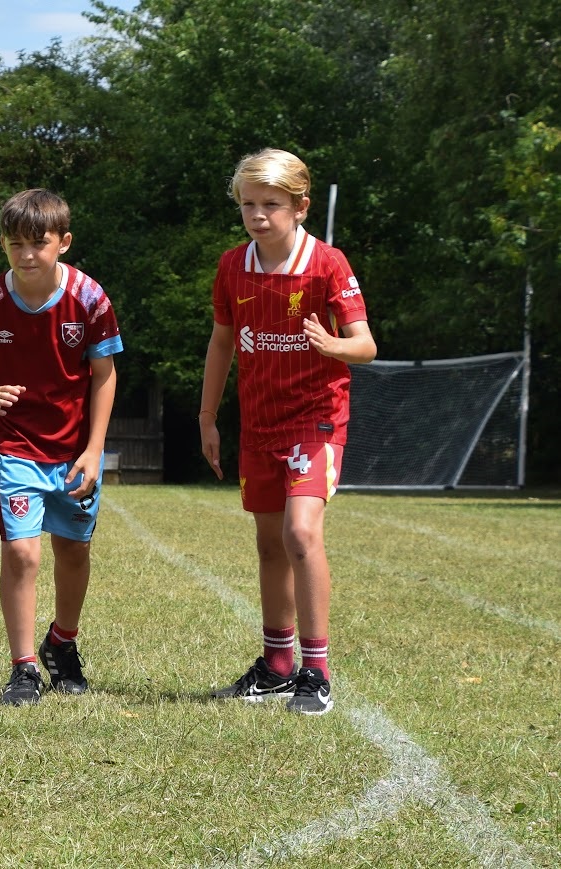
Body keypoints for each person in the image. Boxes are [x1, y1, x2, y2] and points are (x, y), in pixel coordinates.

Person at [201, 148, 376, 716]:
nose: (257, 215)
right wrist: (207, 417)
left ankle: (315, 672)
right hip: (259, 422)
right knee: (270, 544)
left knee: (300, 533)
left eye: (271, 204)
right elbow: (222, 342)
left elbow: (366, 345)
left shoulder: (327, 264)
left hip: (316, 418)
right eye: (248, 204)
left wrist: (333, 344)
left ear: (300, 207)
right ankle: (276, 666)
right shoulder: (233, 265)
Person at [0, 189, 122, 706]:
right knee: (22, 553)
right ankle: (23, 667)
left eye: (37, 243)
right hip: (15, 446)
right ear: (3, 244)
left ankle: (61, 643)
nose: (26, 255)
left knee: (73, 550)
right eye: (15, 244)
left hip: (74, 450)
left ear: (63, 242)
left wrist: (94, 450)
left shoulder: (89, 299)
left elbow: (105, 375)